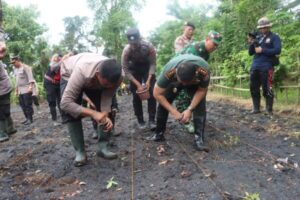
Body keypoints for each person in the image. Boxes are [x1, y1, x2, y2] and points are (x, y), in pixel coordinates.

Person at [60, 53, 123, 167]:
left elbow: (107, 96)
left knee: (106, 110)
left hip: (93, 79)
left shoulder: (118, 75)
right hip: (70, 73)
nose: (109, 86)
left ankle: (102, 148)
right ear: (98, 74)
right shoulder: (82, 70)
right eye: (106, 84)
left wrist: (104, 114)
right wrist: (94, 113)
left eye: (111, 85)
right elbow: (65, 103)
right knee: (71, 111)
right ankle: (80, 152)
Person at [147, 54, 210, 152]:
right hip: (175, 81)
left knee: (200, 105)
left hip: (195, 83)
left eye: (187, 83)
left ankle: (199, 140)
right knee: (165, 100)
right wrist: (174, 111)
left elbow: (202, 91)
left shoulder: (203, 71)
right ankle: (158, 134)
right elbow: (157, 94)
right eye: (183, 82)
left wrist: (190, 109)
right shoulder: (169, 71)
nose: (184, 85)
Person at [176, 30, 222, 133]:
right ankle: (185, 121)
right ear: (207, 39)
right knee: (182, 96)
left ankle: (192, 117)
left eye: (217, 46)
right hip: (179, 74)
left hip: (192, 76)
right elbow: (185, 67)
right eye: (213, 43)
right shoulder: (195, 49)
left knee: (197, 96)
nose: (215, 47)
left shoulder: (206, 53)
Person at [121, 27, 157, 130]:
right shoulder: (126, 51)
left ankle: (152, 120)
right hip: (134, 71)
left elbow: (153, 64)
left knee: (152, 94)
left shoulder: (149, 47)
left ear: (139, 39)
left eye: (135, 43)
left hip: (147, 69)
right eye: (131, 44)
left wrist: (149, 80)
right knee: (136, 95)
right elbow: (125, 69)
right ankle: (140, 120)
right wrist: (138, 84)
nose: (133, 46)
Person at [248, 17, 281, 115]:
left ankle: (269, 109)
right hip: (255, 66)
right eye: (261, 28)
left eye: (265, 27)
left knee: (268, 88)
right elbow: (250, 53)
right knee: (253, 87)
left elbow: (277, 50)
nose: (263, 29)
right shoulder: (257, 38)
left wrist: (263, 50)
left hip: (268, 66)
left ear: (268, 26)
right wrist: (251, 43)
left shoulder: (274, 37)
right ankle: (256, 108)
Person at [0, 41, 17, 142]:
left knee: (1, 111)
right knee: (5, 109)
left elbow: (2, 48)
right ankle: (11, 129)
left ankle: (3, 133)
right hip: (5, 88)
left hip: (3, 89)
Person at [11, 56, 35, 125]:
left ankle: (30, 119)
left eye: (14, 62)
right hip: (20, 90)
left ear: (18, 61)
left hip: (26, 88)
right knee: (22, 105)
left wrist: (30, 87)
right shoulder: (15, 69)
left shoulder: (26, 67)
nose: (13, 64)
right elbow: (17, 80)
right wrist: (16, 90)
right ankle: (27, 118)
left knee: (28, 105)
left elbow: (31, 78)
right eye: (12, 63)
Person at [44, 54, 63, 123]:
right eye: (56, 57)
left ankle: (63, 117)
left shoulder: (62, 64)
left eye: (59, 57)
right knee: (52, 101)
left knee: (61, 100)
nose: (58, 58)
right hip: (49, 83)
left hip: (57, 83)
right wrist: (63, 60)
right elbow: (54, 67)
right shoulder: (52, 64)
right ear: (53, 58)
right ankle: (54, 119)